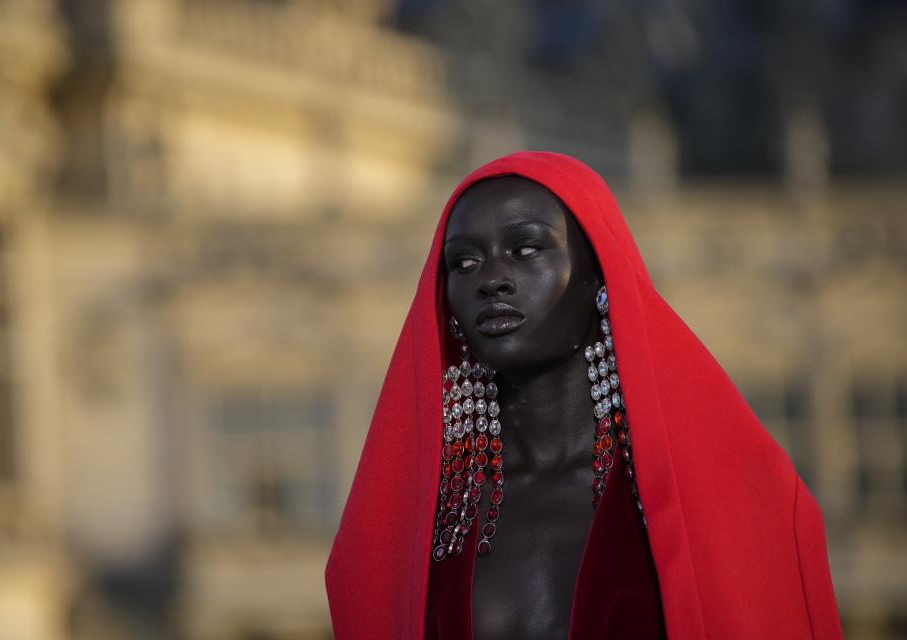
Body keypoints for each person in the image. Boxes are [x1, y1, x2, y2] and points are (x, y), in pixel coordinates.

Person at [325, 151, 843, 639]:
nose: (492, 280)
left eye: (526, 249)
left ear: (600, 272)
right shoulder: (419, 523)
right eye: (463, 263)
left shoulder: (727, 494)